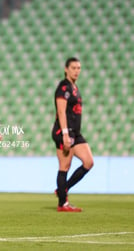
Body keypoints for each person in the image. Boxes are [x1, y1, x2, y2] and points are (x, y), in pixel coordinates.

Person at [51, 57, 94, 212]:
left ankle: (62, 189)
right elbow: (61, 111)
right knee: (65, 166)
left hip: (75, 133)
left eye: (79, 68)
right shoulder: (63, 88)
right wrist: (64, 134)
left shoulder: (74, 88)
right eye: (74, 68)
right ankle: (62, 203)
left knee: (88, 162)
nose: (77, 71)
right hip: (64, 132)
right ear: (66, 69)